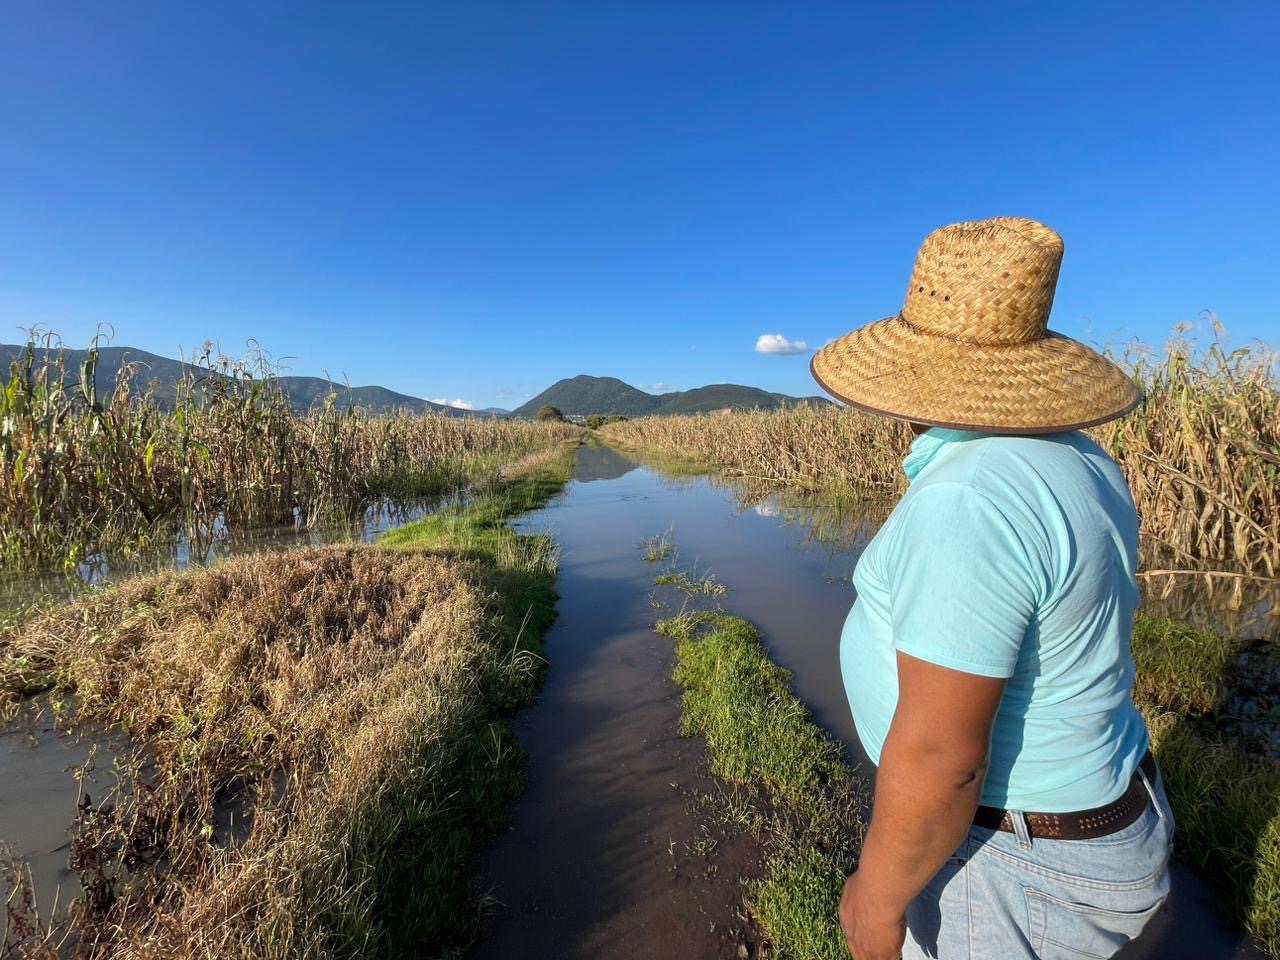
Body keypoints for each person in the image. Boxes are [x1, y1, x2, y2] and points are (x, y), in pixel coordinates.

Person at [809, 217, 1174, 960]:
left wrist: (875, 906)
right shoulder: (1081, 461)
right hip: (1098, 821)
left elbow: (946, 758)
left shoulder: (970, 495)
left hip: (1017, 859)